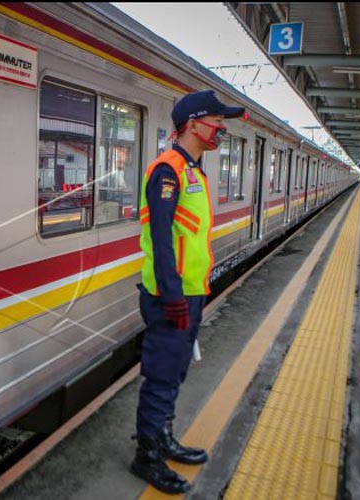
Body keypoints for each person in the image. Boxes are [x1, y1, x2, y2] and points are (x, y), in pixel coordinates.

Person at [131, 90, 244, 494]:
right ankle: (146, 456)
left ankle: (162, 437)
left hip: (190, 292)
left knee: (174, 374)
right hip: (170, 296)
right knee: (161, 377)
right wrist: (172, 294)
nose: (222, 128)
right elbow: (162, 240)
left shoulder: (193, 170)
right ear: (194, 124)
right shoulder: (168, 171)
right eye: (217, 120)